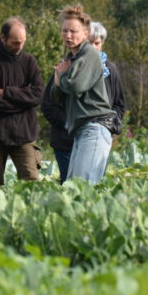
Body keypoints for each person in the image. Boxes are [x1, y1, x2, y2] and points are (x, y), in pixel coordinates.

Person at [42, 19, 128, 183]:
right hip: (73, 134)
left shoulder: (97, 62)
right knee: (74, 185)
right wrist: (60, 77)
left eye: (73, 31)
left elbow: (76, 88)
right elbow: (53, 100)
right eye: (64, 31)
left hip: (95, 127)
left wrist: (111, 126)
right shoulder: (69, 63)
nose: (68, 35)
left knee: (83, 186)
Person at [0, 17, 44, 185]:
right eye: (15, 42)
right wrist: (23, 102)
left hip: (24, 135)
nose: (19, 46)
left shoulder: (29, 62)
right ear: (3, 38)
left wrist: (6, 92)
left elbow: (38, 94)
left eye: (22, 42)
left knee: (31, 183)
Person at [89, 21, 127, 131]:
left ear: (102, 44)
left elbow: (119, 104)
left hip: (102, 133)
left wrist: (109, 125)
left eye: (96, 43)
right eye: (89, 43)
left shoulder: (110, 69)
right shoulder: (70, 66)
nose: (93, 47)